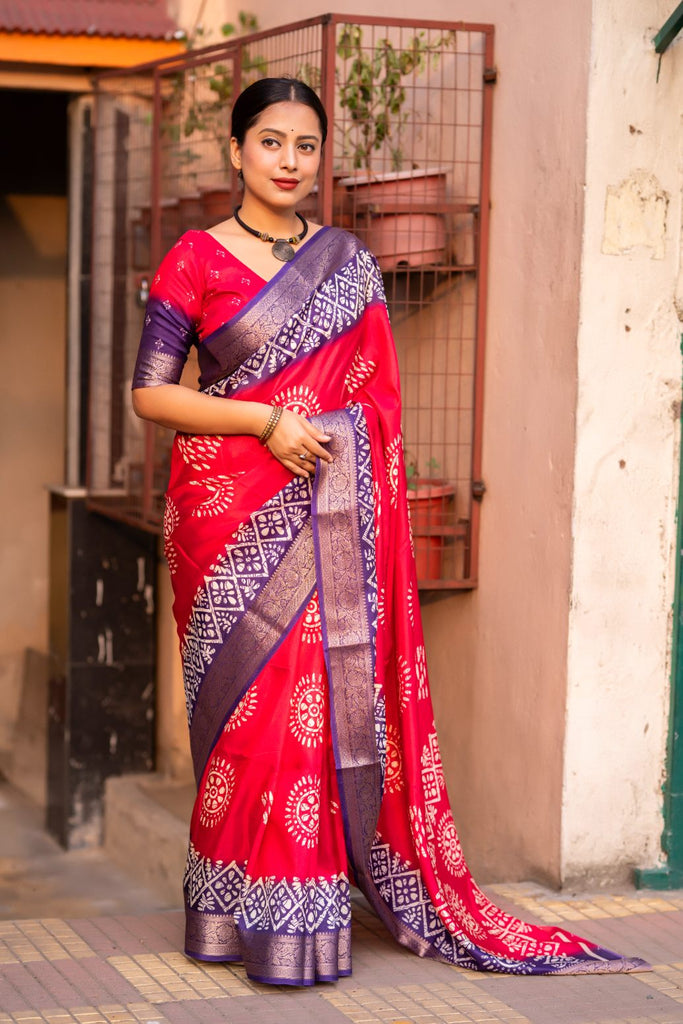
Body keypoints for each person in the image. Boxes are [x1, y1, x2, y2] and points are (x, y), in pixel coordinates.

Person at [132, 77, 648, 985]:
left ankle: (297, 919)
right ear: (236, 150)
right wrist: (263, 422)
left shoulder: (348, 265)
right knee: (245, 720)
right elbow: (151, 391)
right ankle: (226, 909)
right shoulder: (193, 260)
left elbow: (373, 404)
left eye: (305, 146)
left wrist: (326, 435)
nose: (289, 162)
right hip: (224, 521)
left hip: (325, 515)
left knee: (307, 712)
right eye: (270, 143)